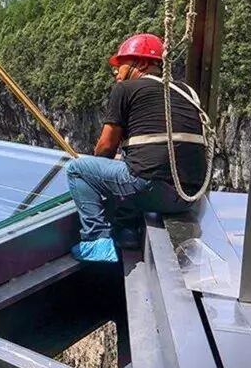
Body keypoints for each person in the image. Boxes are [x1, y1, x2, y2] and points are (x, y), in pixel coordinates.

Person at [66, 33, 208, 263]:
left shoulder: (126, 89)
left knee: (79, 170)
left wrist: (100, 167)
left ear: (141, 63)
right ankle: (127, 232)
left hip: (154, 192)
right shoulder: (187, 92)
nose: (116, 72)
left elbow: (106, 147)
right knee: (133, 165)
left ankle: (95, 241)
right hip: (191, 195)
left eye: (121, 64)